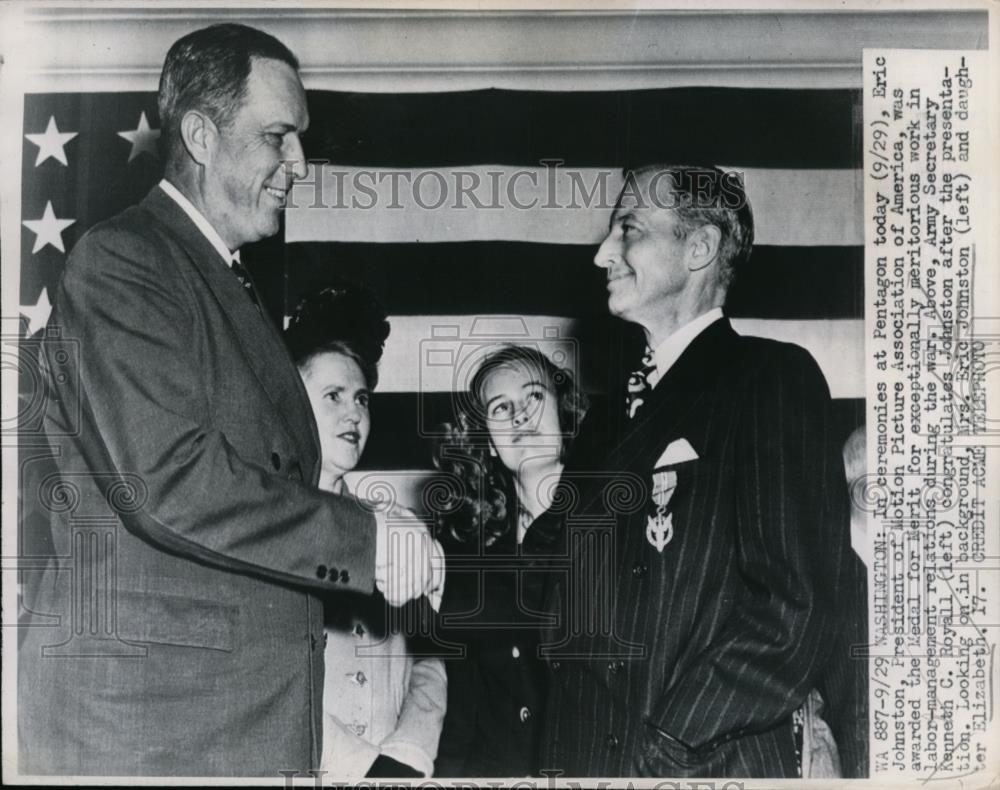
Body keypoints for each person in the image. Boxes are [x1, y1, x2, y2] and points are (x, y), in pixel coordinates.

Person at [18, 23, 438, 777]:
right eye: (279, 136)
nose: (299, 165)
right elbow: (168, 480)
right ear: (202, 134)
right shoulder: (126, 261)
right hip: (155, 732)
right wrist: (368, 540)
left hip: (226, 723)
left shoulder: (220, 279)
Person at [538, 165, 861, 777]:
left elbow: (795, 608)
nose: (603, 252)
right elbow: (550, 578)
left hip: (696, 765)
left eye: (628, 228)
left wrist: (668, 745)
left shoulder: (769, 380)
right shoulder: (608, 416)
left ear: (700, 248)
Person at [284, 284, 447, 780]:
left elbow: (432, 655)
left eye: (361, 398)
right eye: (332, 396)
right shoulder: (261, 528)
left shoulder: (399, 529)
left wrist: (408, 754)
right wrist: (363, 765)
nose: (353, 412)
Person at [432, 345, 587, 777]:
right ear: (487, 441)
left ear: (565, 411)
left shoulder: (615, 529)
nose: (520, 415)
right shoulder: (470, 558)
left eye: (534, 396)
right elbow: (465, 712)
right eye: (501, 408)